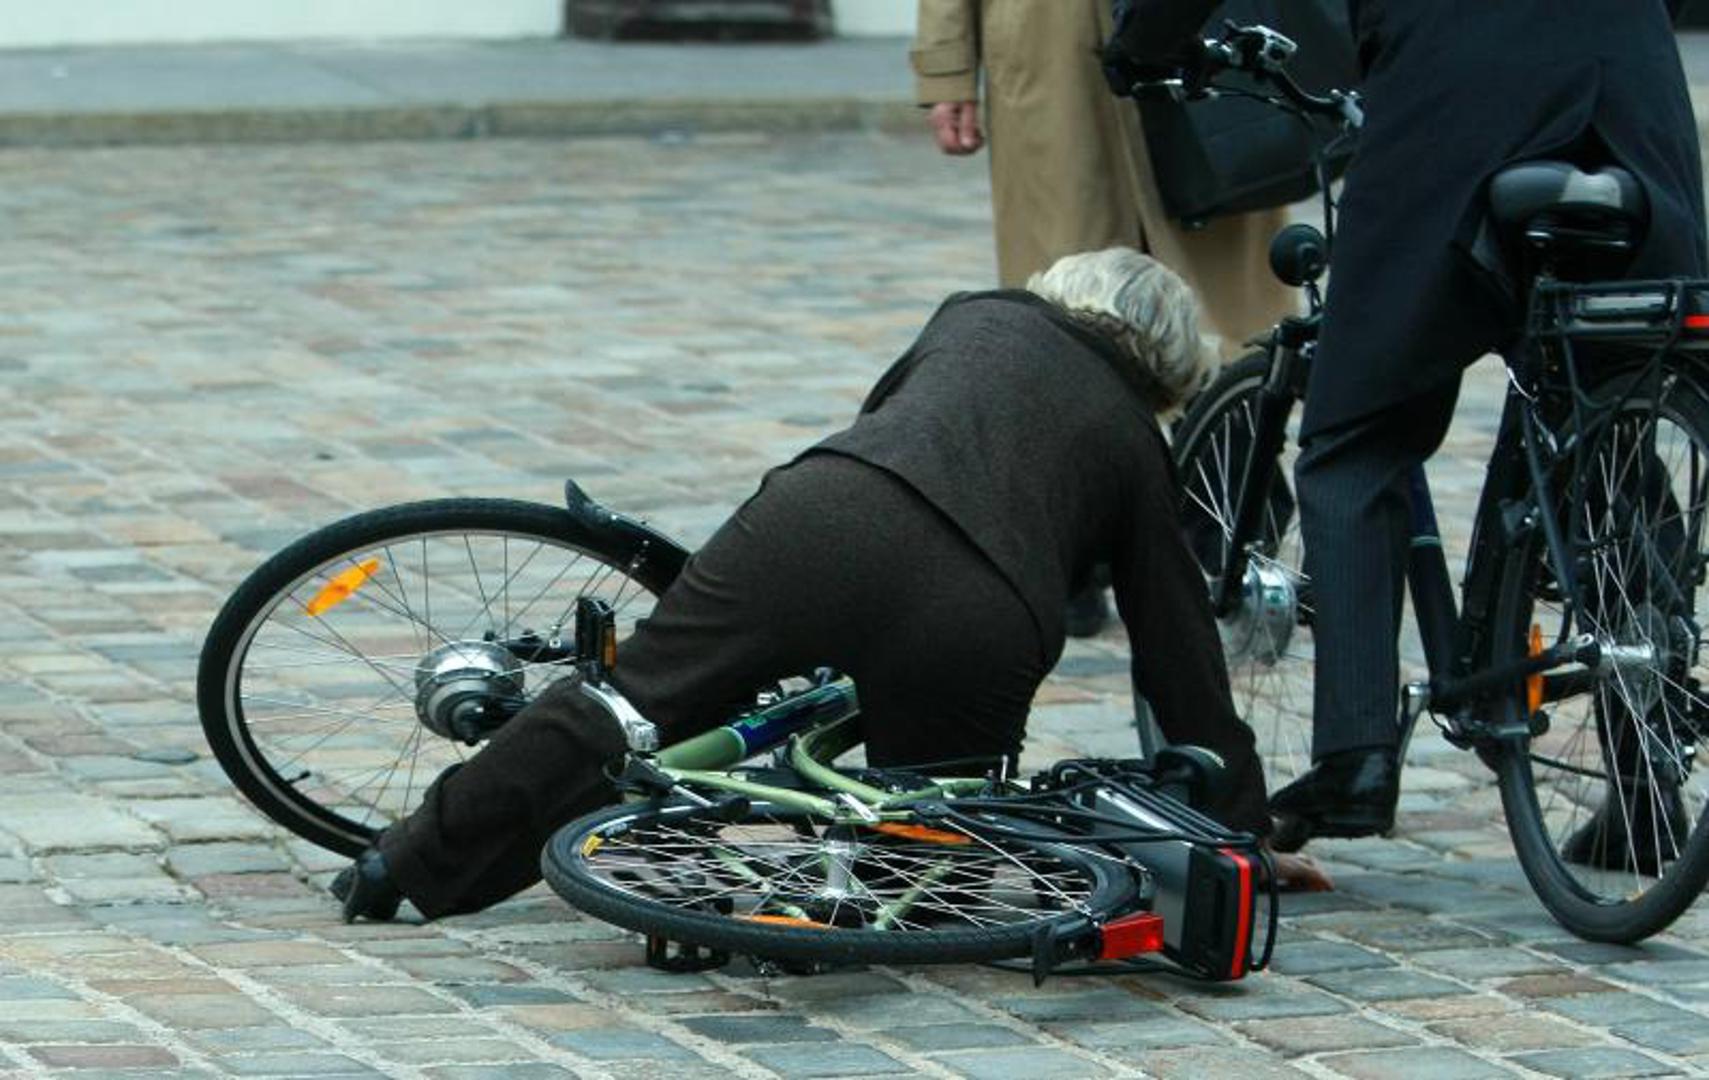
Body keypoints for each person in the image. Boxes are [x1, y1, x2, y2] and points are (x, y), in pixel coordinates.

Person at [334, 247, 1330, 922]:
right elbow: (1175, 648)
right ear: (1163, 374)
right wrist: (1240, 829)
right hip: (979, 613)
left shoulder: (974, 317)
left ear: (1058, 291)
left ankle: (402, 865)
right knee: (929, 844)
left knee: (626, 703)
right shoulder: (1135, 442)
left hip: (824, 517)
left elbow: (884, 419)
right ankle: (839, 912)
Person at [1106, 0, 1708, 849]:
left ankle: (1354, 757)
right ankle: (1646, 791)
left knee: (1357, 438)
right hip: (1632, 106)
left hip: (1461, 105)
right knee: (1607, 426)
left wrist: (1142, 46)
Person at [912, 0, 1296, 635]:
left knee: (1226, 306)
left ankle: (1233, 529)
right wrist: (947, 68)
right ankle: (1073, 552)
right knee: (1067, 303)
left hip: (1200, 29)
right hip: (1050, 48)